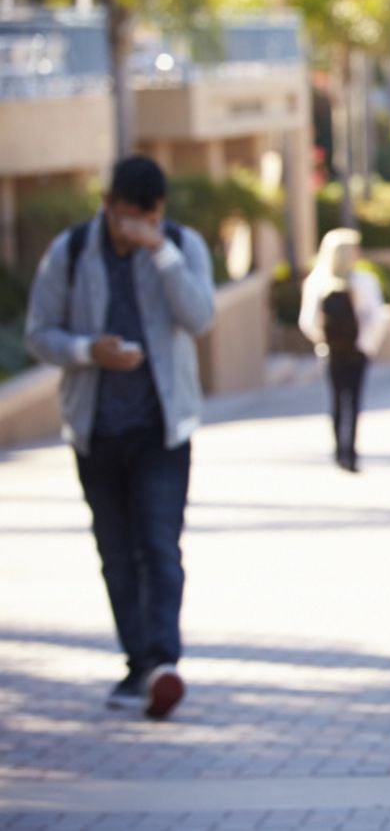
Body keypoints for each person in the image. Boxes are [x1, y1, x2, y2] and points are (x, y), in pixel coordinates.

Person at [24, 155, 216, 720]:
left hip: (163, 428)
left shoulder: (180, 247)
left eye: (145, 218)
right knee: (115, 553)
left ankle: (163, 663)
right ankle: (137, 663)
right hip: (96, 429)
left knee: (159, 546)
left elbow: (201, 316)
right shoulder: (73, 251)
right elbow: (39, 332)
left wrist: (161, 252)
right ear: (107, 206)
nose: (131, 228)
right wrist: (89, 351)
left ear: (158, 213)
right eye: (124, 217)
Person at [298, 229, 387, 473]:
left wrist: (324, 341)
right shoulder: (363, 281)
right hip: (356, 351)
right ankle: (350, 452)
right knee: (353, 401)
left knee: (337, 401)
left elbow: (308, 321)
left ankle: (340, 452)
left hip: (332, 352)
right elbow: (376, 317)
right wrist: (365, 345)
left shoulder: (317, 282)